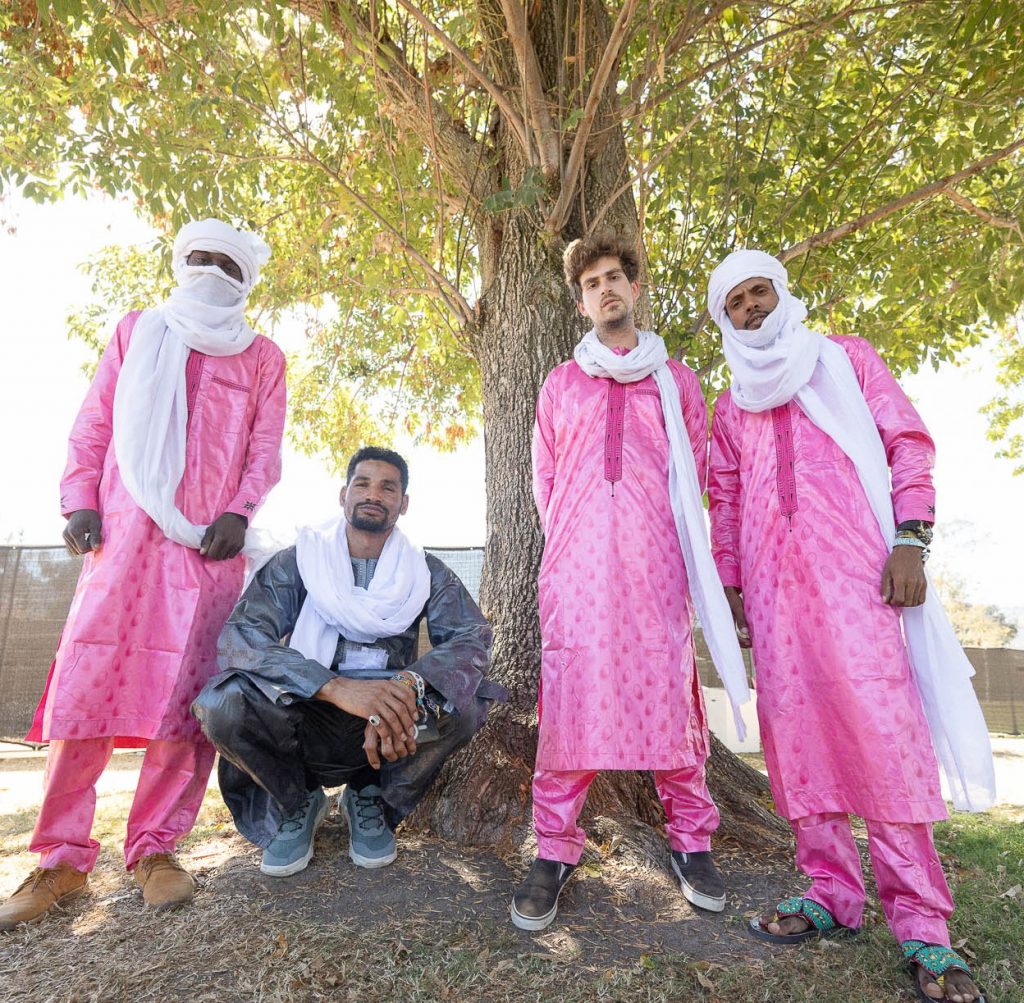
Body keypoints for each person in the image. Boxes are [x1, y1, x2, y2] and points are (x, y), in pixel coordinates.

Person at [706, 249, 994, 1003]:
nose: (750, 308)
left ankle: (923, 925)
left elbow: (908, 443)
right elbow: (725, 498)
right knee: (798, 740)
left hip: (861, 580)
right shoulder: (731, 404)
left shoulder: (845, 359)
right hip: (774, 595)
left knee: (883, 737)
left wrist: (912, 539)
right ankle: (830, 892)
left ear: (782, 293)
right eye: (735, 303)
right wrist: (731, 585)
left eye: (759, 292)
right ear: (725, 320)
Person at [0, 219, 287, 930]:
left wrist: (240, 512)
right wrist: (79, 498)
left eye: (227, 263)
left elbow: (264, 448)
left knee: (183, 700)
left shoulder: (262, 356)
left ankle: (155, 848)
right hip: (122, 540)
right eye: (200, 258)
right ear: (180, 264)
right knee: (87, 688)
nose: (211, 271)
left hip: (206, 550)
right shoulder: (138, 331)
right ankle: (62, 858)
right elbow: (95, 421)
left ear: (246, 279)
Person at [511, 231, 750, 932]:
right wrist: (584, 540)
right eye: (592, 283)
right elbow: (546, 482)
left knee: (670, 694)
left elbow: (695, 474)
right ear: (581, 303)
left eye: (615, 276)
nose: (605, 289)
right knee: (571, 699)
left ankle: (692, 841)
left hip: (657, 567)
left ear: (635, 288)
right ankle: (554, 848)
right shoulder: (560, 383)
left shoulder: (676, 382)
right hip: (577, 569)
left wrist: (649, 539)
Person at [193, 447, 504, 876]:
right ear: (344, 495)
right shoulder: (298, 561)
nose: (373, 494)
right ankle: (296, 801)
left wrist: (406, 689)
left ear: (403, 503)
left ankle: (371, 796)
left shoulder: (424, 570)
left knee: (467, 701)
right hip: (304, 710)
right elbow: (243, 637)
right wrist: (333, 687)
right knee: (222, 703)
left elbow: (471, 638)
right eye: (363, 484)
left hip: (390, 721)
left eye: (387, 487)